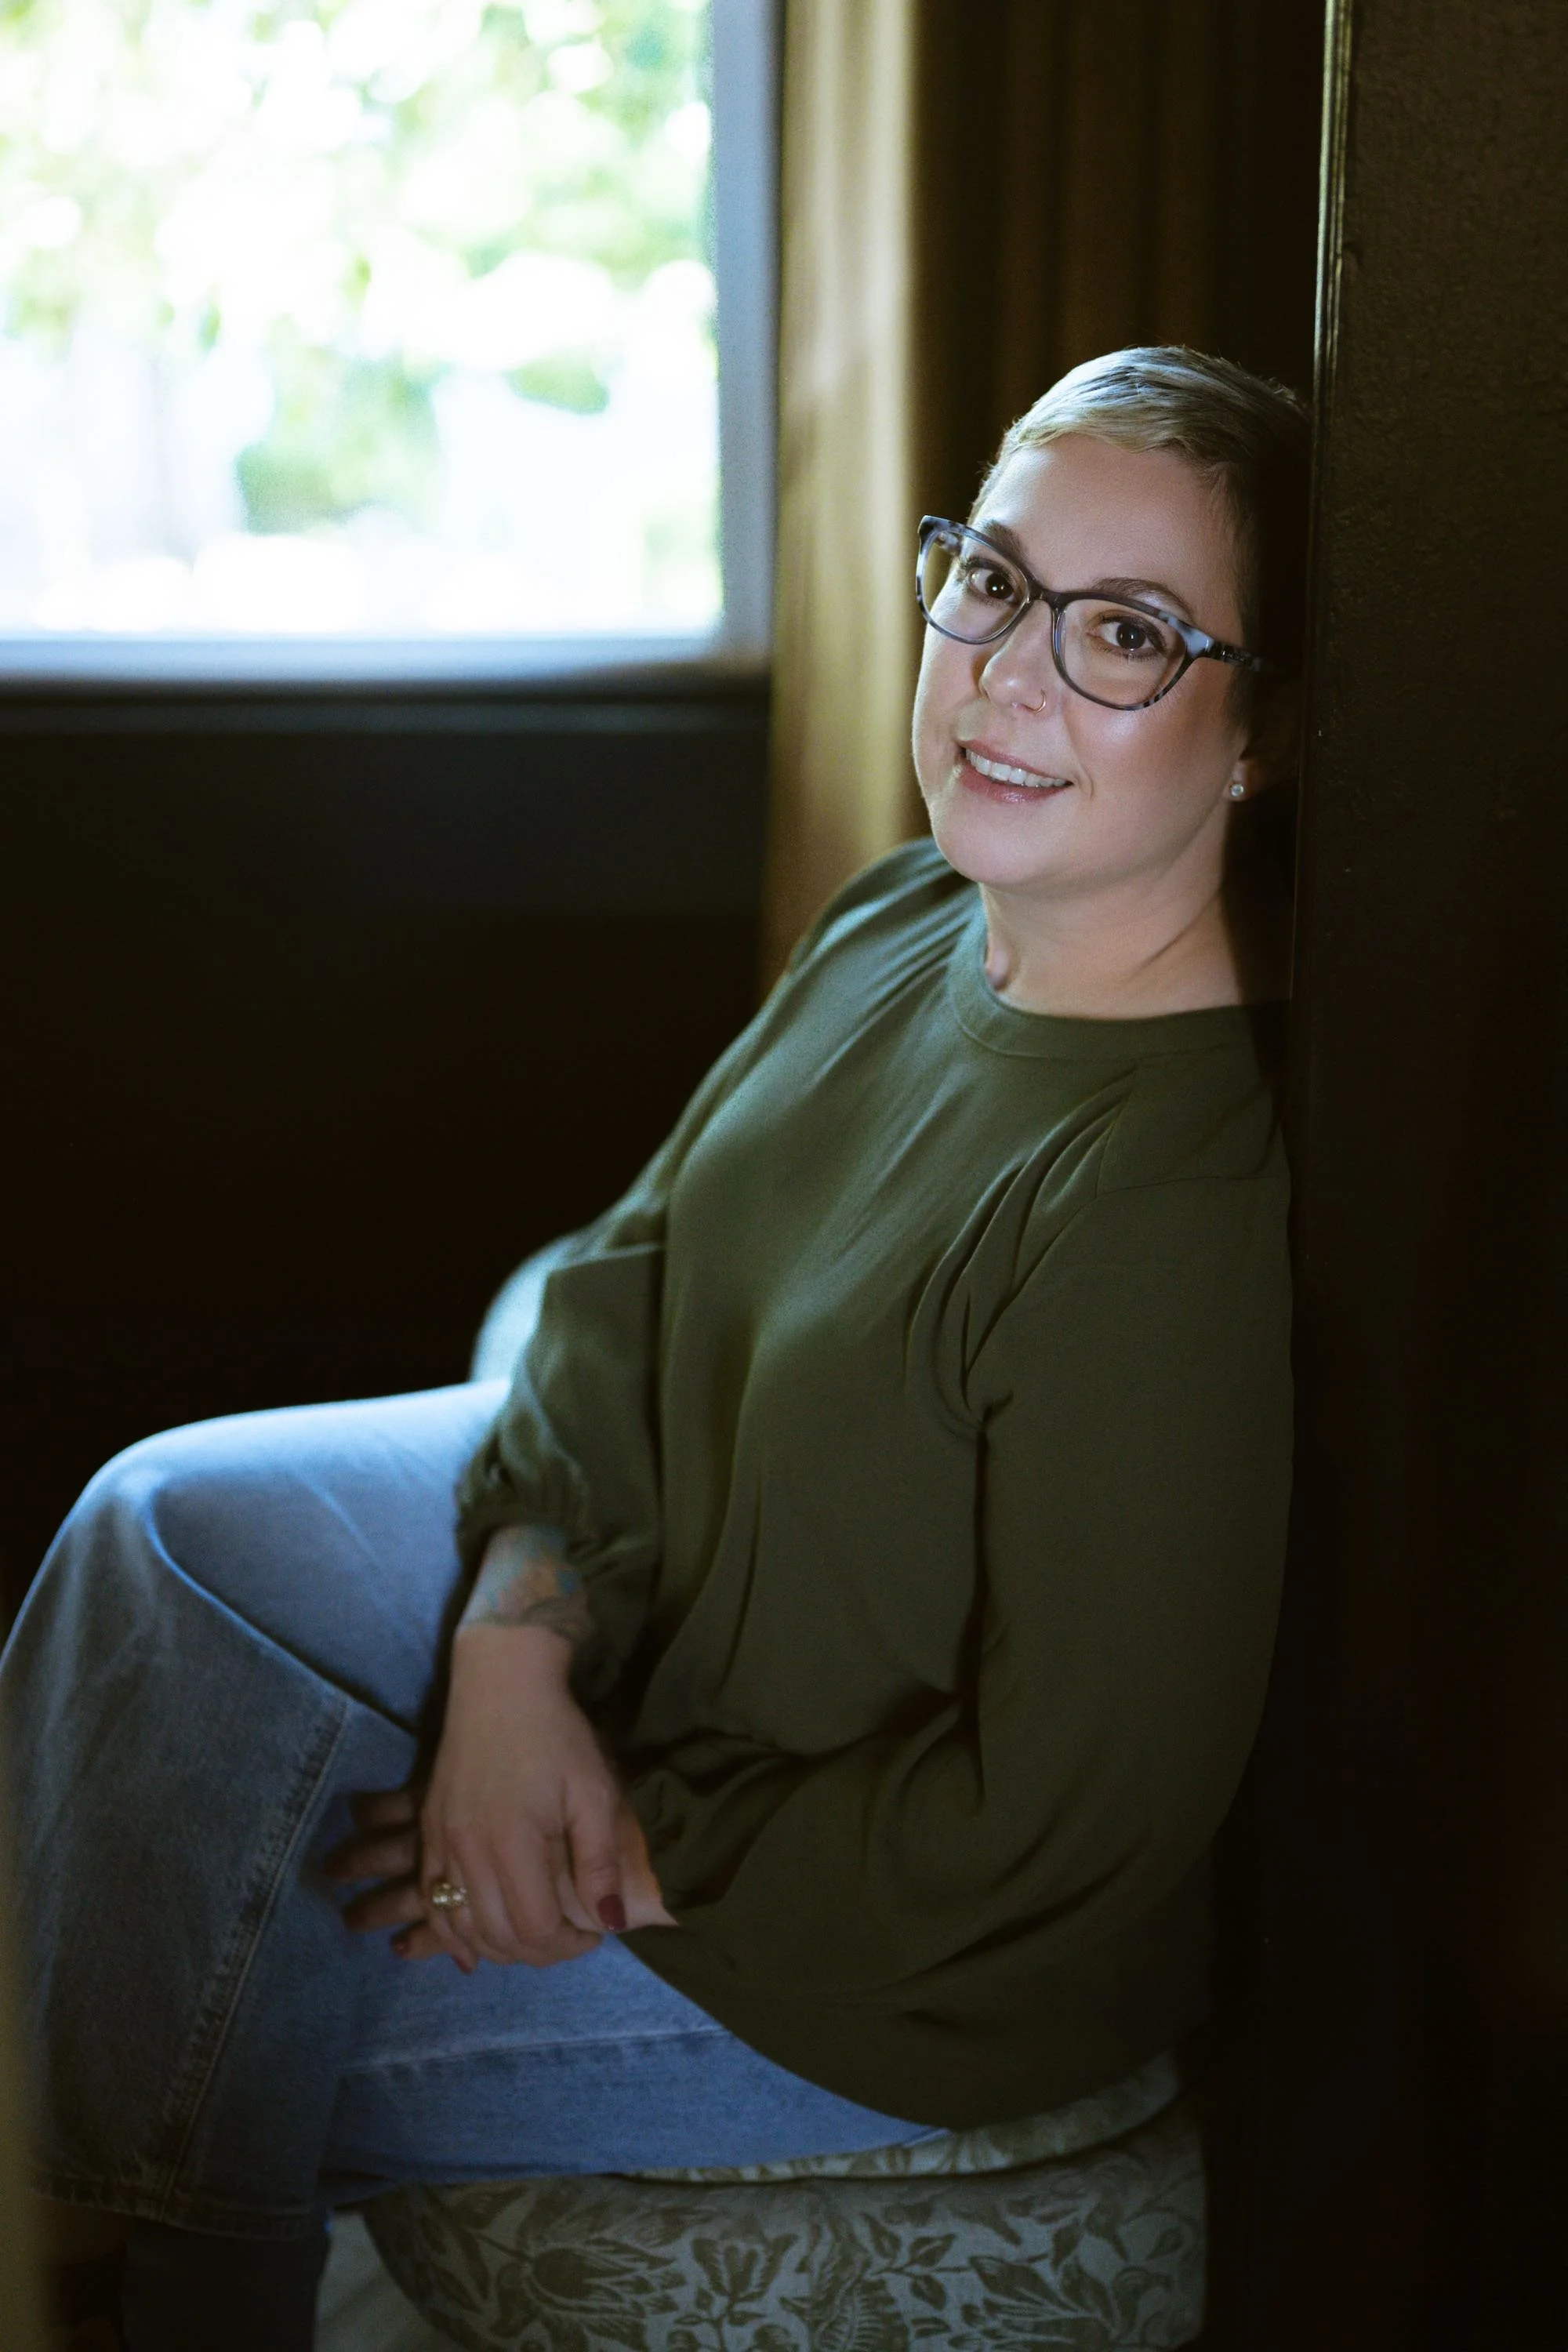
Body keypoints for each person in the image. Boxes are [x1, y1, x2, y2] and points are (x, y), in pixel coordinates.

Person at [3, 345, 1307, 2351]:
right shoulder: (906, 919)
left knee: (195, 1963)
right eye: (991, 581)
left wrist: (619, 1844)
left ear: (1254, 737)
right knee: (159, 1529)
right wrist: (515, 1649)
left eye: (1124, 634)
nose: (1007, 674)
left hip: (877, 1975)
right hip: (651, 1661)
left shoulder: (1157, 1198)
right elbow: (624, 1275)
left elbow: (1055, 1823)